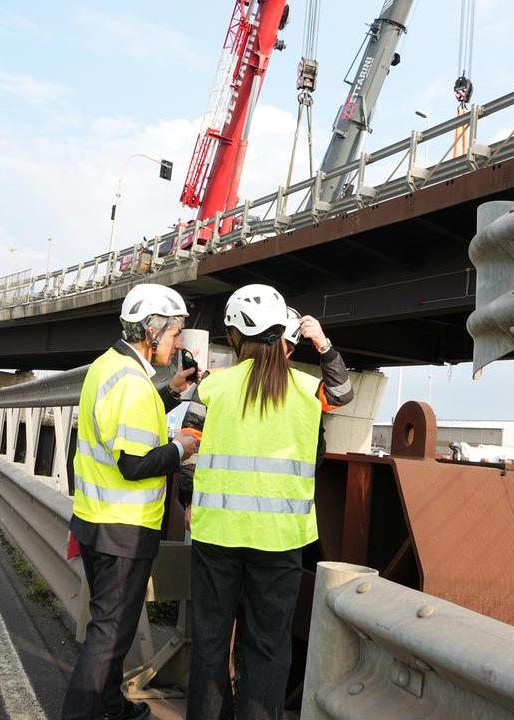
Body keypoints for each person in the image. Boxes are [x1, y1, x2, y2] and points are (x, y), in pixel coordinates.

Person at [186, 284, 354, 720]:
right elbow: (345, 393)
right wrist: (324, 344)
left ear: (236, 335)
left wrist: (188, 500)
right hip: (280, 542)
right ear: (283, 332)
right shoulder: (306, 389)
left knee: (209, 640)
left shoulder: (212, 387)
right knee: (267, 645)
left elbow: (188, 449)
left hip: (216, 536)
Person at [62, 283, 201, 720]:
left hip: (95, 519)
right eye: (176, 333)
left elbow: (122, 423)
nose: (179, 343)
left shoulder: (110, 367)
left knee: (114, 632)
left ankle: (110, 706)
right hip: (122, 528)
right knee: (108, 635)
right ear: (152, 330)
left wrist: (171, 391)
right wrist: (182, 448)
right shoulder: (134, 384)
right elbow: (136, 464)